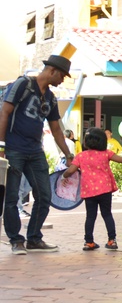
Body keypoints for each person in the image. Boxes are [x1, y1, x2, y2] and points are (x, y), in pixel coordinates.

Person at [1, 54, 75, 254]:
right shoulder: (23, 85)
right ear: (52, 71)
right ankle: (16, 240)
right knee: (11, 197)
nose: (62, 80)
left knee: (44, 195)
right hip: (14, 149)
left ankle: (34, 238)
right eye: (62, 76)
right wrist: (1, 147)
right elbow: (5, 112)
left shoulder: (50, 98)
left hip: (35, 151)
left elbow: (57, 129)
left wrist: (68, 154)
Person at [62, 126, 122, 250]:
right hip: (105, 190)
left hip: (89, 192)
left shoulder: (81, 156)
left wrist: (64, 175)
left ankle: (89, 242)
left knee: (90, 216)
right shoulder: (107, 153)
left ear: (86, 141)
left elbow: (70, 170)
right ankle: (112, 240)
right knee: (107, 214)